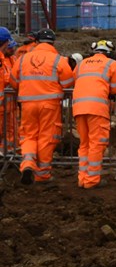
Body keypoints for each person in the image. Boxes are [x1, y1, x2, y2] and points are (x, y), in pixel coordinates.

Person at [12, 29, 74, 184]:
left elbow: (13, 81)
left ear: (37, 42)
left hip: (27, 104)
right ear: (53, 42)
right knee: (46, 137)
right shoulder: (58, 60)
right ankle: (43, 174)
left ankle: (27, 164)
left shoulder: (23, 59)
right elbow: (68, 83)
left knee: (28, 135)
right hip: (50, 105)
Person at [72, 40, 116, 188]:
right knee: (97, 144)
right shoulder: (112, 64)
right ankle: (92, 180)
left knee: (84, 144)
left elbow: (76, 80)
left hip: (78, 107)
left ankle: (82, 178)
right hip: (97, 108)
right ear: (109, 52)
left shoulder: (82, 64)